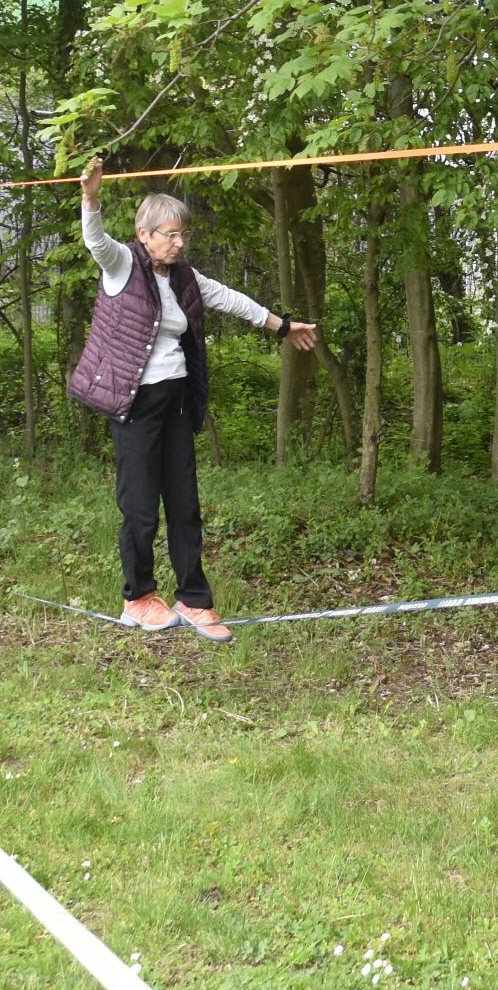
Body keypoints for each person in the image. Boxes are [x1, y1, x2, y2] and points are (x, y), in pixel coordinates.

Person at [68, 157, 319, 641]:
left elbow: (230, 298)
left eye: (183, 234)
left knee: (185, 505)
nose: (180, 243)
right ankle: (138, 598)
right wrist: (91, 198)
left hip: (177, 403)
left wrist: (283, 326)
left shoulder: (184, 277)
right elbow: (95, 240)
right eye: (171, 234)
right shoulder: (122, 265)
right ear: (144, 234)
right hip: (135, 406)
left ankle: (194, 599)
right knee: (141, 508)